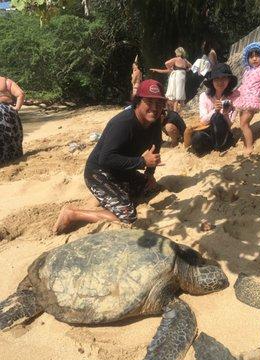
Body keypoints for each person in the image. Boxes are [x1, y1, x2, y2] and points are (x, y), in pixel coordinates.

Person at [53, 79, 166, 234]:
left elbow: (155, 148)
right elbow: (105, 159)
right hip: (99, 172)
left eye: (159, 103)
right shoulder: (123, 123)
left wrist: (149, 174)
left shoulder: (154, 123)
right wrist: (141, 161)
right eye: (149, 101)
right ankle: (72, 214)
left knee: (150, 189)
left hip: (123, 171)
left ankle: (101, 198)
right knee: (128, 217)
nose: (154, 107)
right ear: (138, 101)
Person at [184, 63, 238, 154]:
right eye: (217, 79)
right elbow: (203, 120)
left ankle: (219, 146)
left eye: (224, 78)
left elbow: (229, 125)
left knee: (218, 117)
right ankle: (209, 147)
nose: (220, 82)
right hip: (208, 132)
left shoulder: (233, 98)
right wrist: (215, 110)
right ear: (212, 81)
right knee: (197, 138)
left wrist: (224, 114)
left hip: (223, 134)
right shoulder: (204, 96)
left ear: (228, 80)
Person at [234, 42, 260, 155]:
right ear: (247, 58)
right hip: (243, 98)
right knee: (242, 122)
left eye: (257, 56)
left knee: (244, 123)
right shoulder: (247, 71)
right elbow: (243, 85)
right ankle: (246, 141)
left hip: (253, 99)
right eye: (251, 56)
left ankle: (249, 146)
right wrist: (235, 93)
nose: (254, 59)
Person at [150, 47, 191, 113]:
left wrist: (169, 68)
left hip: (177, 77)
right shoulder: (185, 60)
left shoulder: (176, 60)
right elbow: (191, 66)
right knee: (180, 91)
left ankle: (176, 110)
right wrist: (186, 70)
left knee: (176, 93)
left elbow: (166, 63)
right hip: (182, 76)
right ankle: (180, 108)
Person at [0, 76, 25, 165]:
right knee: (13, 135)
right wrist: (16, 108)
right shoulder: (6, 82)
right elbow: (21, 94)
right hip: (8, 111)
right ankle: (14, 157)